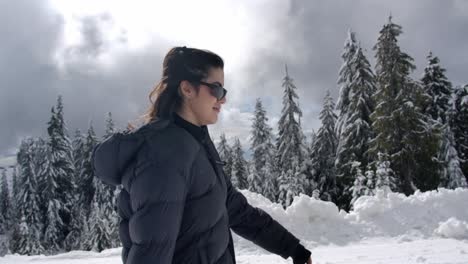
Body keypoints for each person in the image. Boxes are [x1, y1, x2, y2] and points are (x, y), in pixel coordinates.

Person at [92, 46, 312, 264]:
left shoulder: (194, 144)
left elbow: (238, 211)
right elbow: (151, 251)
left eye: (223, 91)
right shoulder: (164, 154)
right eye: (216, 89)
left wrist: (293, 248)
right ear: (187, 89)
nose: (222, 99)